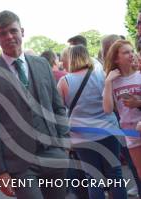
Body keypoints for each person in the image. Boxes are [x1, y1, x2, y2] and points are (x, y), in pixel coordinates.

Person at [0, 10, 69, 199]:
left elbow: (58, 106)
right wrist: (0, 170)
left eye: (13, 31)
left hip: (53, 153)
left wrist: (63, 145)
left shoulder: (42, 64)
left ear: (22, 31)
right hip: (19, 162)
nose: (9, 37)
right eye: (2, 33)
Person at [57, 45, 127, 199]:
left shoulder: (64, 82)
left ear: (70, 59)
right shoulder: (101, 75)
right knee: (115, 174)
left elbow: (58, 111)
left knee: (93, 178)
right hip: (108, 131)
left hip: (82, 137)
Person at [103, 39, 141, 183]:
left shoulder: (139, 75)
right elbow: (107, 109)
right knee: (139, 171)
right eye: (126, 52)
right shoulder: (113, 81)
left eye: (132, 51)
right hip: (130, 132)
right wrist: (107, 83)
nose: (131, 54)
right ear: (116, 58)